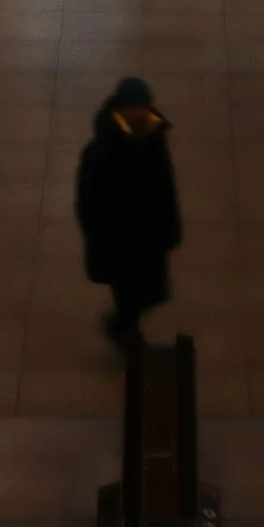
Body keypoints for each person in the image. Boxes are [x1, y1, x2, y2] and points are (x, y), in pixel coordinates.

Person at [75, 77, 182, 346]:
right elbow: (88, 200)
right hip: (119, 238)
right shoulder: (102, 151)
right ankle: (128, 338)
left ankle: (122, 328)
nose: (142, 112)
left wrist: (170, 224)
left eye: (144, 106)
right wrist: (100, 231)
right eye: (136, 107)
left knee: (147, 292)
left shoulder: (153, 140)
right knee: (131, 291)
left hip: (147, 234)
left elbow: (165, 186)